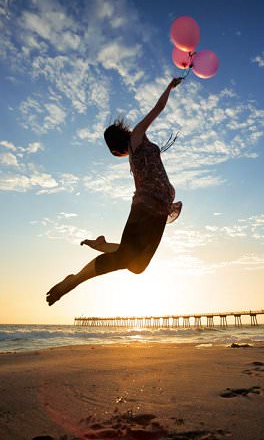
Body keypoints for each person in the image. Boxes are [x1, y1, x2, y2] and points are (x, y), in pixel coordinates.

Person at [46, 77, 183, 306]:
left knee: (137, 265)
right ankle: (73, 281)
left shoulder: (140, 137)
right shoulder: (136, 143)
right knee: (127, 258)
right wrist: (169, 86)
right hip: (146, 206)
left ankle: (101, 245)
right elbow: (159, 107)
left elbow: (158, 109)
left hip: (160, 208)